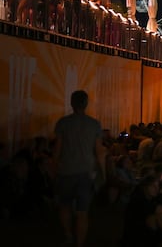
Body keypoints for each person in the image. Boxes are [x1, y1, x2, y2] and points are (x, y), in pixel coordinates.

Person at [52, 90, 106, 247]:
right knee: (83, 212)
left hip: (66, 171)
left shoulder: (62, 123)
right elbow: (99, 151)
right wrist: (102, 172)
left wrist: (54, 169)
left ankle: (68, 235)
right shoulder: (94, 124)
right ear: (86, 103)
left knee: (65, 206)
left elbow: (57, 150)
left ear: (71, 103)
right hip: (86, 172)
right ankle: (80, 243)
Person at [120, 174, 162, 246]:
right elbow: (156, 209)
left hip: (151, 232)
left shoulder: (153, 196)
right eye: (153, 186)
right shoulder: (138, 198)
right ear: (145, 187)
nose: (156, 189)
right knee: (159, 214)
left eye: (157, 186)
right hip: (137, 235)